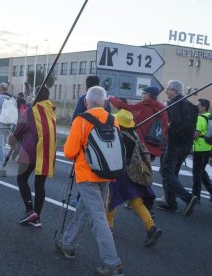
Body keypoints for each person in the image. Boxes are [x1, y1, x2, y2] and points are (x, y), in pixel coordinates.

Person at [56, 86, 123, 276]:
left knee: (98, 217)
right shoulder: (113, 119)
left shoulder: (81, 120)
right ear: (105, 102)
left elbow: (69, 152)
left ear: (86, 102)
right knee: (84, 210)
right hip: (107, 173)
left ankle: (112, 262)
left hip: (87, 175)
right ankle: (68, 243)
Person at [106, 109, 162, 247]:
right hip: (134, 170)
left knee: (112, 197)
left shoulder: (119, 136)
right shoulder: (134, 135)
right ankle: (151, 227)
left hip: (121, 170)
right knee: (136, 201)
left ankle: (108, 226)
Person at [8, 86, 56, 227]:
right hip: (46, 151)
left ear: (37, 96)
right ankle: (37, 217)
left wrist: (12, 139)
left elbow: (19, 130)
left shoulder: (31, 111)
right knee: (40, 184)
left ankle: (30, 210)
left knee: (21, 178)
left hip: (30, 151)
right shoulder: (51, 110)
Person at [157, 80, 198, 216]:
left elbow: (172, 125)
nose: (166, 91)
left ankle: (187, 197)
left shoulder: (172, 105)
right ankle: (171, 203)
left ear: (175, 90)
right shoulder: (192, 107)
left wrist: (167, 129)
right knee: (173, 173)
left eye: (168, 89)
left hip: (174, 143)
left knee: (167, 172)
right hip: (187, 145)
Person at [69, 75, 111, 207]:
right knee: (100, 171)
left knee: (85, 173)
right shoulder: (105, 102)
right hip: (103, 141)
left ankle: (81, 199)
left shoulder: (84, 99)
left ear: (87, 85)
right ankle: (98, 202)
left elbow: (75, 119)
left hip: (86, 141)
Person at [109, 87, 168, 160]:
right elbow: (165, 129)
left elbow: (127, 107)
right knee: (147, 168)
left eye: (143, 93)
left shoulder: (145, 105)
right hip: (155, 144)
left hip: (142, 146)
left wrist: (112, 99)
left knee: (138, 167)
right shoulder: (162, 109)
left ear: (148, 94)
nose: (142, 95)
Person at [192, 99, 212, 202]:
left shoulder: (200, 118)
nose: (196, 107)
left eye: (198, 105)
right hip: (208, 147)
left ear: (204, 107)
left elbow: (196, 135)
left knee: (197, 172)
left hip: (199, 148)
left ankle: (196, 196)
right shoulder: (209, 116)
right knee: (201, 171)